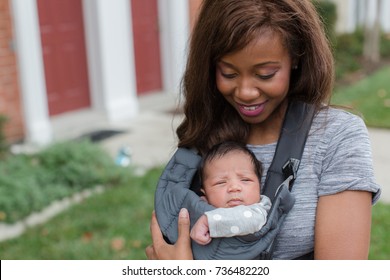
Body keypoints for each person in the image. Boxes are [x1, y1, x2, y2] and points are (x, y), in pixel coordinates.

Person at [145, 0, 381, 260]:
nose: (245, 92)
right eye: (229, 73)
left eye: (266, 74)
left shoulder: (337, 136)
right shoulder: (203, 137)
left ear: (296, 57)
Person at [189, 141, 271, 245]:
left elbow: (251, 221)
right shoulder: (200, 206)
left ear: (259, 185)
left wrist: (209, 222)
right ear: (205, 194)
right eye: (221, 182)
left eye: (245, 180)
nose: (234, 187)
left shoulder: (260, 209)